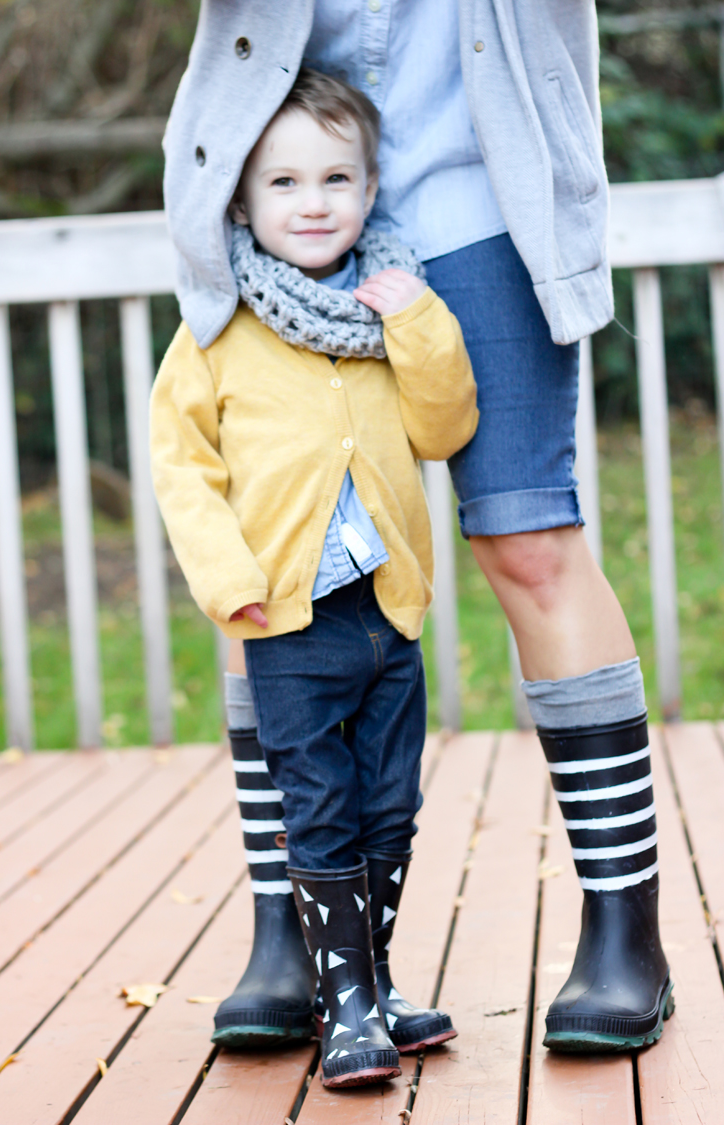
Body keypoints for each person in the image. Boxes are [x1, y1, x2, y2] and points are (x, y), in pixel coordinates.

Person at [161, 1, 673, 1055]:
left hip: (491, 199)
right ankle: (289, 932)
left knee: (531, 541)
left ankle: (626, 930)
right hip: (288, 192)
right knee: (274, 543)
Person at [151, 69, 479, 1087]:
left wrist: (417, 323)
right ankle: (343, 1010)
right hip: (290, 619)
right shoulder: (217, 331)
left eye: (337, 177)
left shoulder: (389, 314)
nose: (314, 201)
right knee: (322, 807)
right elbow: (182, 465)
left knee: (391, 805)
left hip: (388, 612)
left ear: (372, 190)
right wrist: (225, 577)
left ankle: (372, 990)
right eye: (284, 182)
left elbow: (444, 426)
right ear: (243, 204)